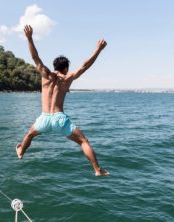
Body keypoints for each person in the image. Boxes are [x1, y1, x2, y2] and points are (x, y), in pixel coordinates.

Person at [16, 25, 109, 176]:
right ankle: (97, 170)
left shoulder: (46, 74)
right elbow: (85, 66)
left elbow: (35, 58)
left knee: (30, 135)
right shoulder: (67, 78)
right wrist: (98, 49)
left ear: (54, 66)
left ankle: (20, 152)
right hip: (60, 119)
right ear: (65, 68)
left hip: (44, 118)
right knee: (83, 142)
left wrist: (29, 38)